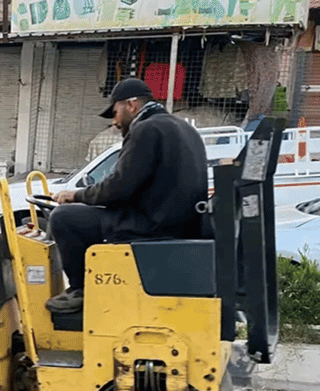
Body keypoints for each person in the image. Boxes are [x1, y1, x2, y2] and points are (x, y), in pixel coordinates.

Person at [45, 78, 208, 313]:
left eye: (115, 112)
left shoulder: (145, 130)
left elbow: (117, 188)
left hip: (150, 225)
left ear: (131, 105)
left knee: (63, 218)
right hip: (176, 222)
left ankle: (80, 290)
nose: (115, 121)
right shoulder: (186, 129)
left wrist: (76, 195)